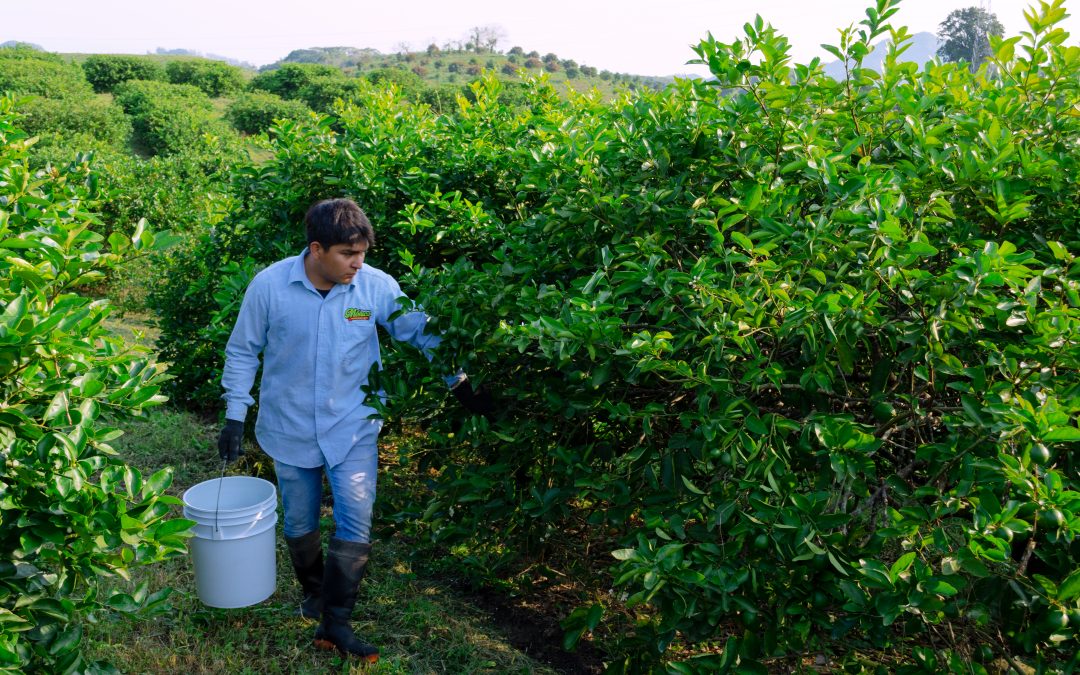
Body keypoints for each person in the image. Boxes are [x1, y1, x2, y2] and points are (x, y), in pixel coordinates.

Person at [216, 197, 490, 663]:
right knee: (300, 521)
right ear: (318, 248)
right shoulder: (269, 287)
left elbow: (421, 332)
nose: (357, 263)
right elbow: (243, 351)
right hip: (290, 425)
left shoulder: (375, 287)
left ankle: (336, 621)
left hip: (354, 425)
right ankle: (314, 595)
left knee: (355, 520)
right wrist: (234, 414)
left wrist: (459, 382)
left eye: (361, 253)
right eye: (347, 254)